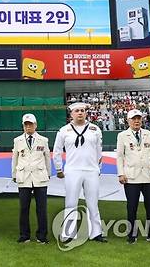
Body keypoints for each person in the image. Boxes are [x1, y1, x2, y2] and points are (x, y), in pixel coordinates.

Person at [53, 102, 107, 243]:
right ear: (71, 114)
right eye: (77, 111)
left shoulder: (95, 129)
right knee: (71, 202)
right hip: (72, 170)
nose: (80, 113)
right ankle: (69, 233)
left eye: (82, 110)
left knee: (93, 203)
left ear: (86, 112)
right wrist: (58, 168)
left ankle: (96, 233)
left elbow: (99, 150)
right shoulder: (64, 131)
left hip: (91, 170)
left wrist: (98, 168)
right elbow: (57, 151)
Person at [116, 109, 150, 245]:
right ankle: (132, 235)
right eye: (134, 119)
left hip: (148, 176)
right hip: (131, 177)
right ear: (128, 120)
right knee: (132, 207)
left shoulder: (149, 134)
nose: (137, 121)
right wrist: (121, 173)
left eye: (139, 118)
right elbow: (119, 156)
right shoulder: (122, 135)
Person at [11, 113, 51, 244]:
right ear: (23, 126)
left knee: (41, 208)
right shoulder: (17, 140)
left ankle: (42, 236)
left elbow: (47, 158)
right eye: (26, 124)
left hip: (40, 176)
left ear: (36, 125)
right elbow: (15, 159)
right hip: (24, 177)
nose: (28, 127)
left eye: (31, 124)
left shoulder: (43, 140)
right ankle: (24, 235)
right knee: (24, 208)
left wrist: (48, 173)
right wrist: (14, 174)